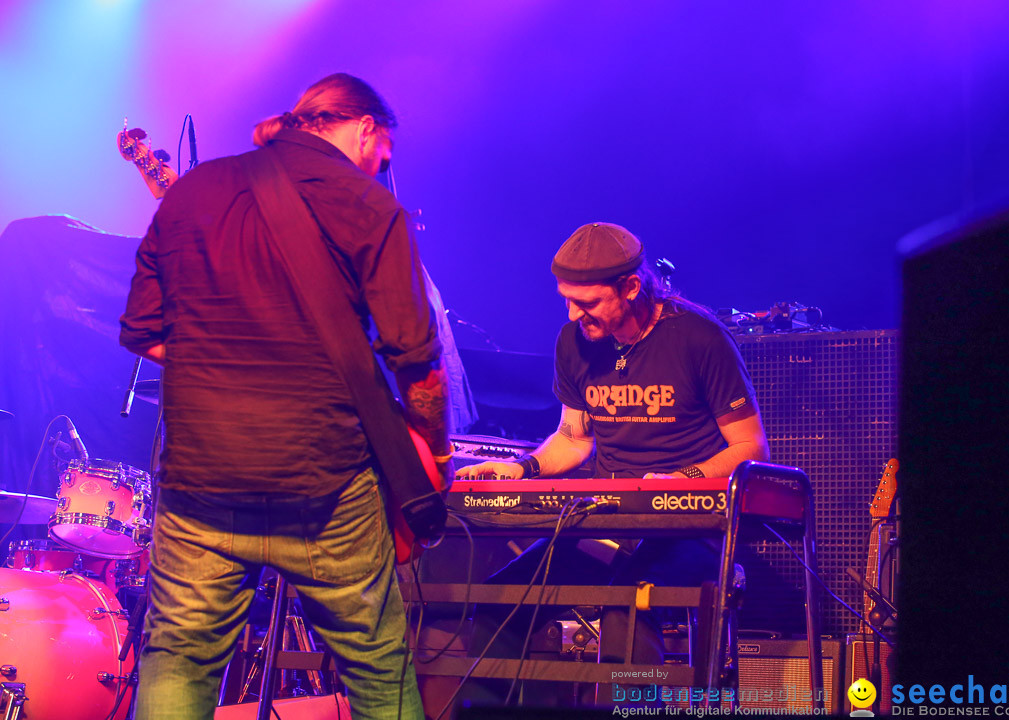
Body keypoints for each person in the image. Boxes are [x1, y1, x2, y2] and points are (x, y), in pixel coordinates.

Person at [119, 73, 452, 720]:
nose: (383, 165)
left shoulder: (191, 193)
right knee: (379, 668)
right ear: (364, 128)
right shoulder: (369, 206)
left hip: (202, 481)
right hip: (326, 485)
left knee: (180, 664)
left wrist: (228, 362)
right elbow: (418, 365)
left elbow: (144, 333)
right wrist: (433, 449)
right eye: (384, 150)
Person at [456, 222, 769, 702]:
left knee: (626, 600)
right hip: (608, 523)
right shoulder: (574, 342)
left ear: (631, 287)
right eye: (566, 299)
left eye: (587, 302)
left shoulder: (700, 339)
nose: (573, 313)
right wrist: (522, 469)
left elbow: (751, 448)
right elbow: (573, 438)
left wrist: (680, 480)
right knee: (500, 605)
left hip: (690, 528)